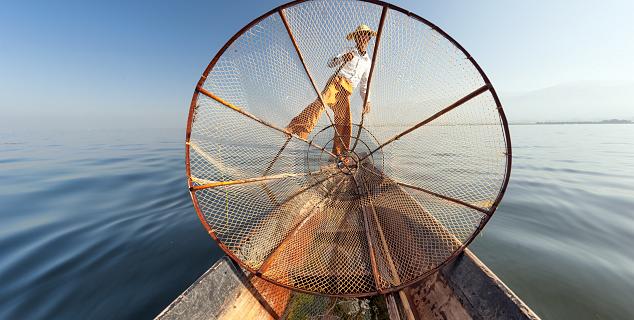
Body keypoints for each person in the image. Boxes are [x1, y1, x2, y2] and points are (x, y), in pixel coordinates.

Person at [286, 24, 375, 161]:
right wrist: (342, 58)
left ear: (368, 38)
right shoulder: (348, 50)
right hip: (337, 81)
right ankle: (295, 128)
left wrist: (367, 100)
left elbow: (364, 84)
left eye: (365, 35)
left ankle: (338, 155)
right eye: (359, 35)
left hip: (348, 90)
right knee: (321, 103)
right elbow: (330, 63)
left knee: (344, 121)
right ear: (355, 38)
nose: (362, 38)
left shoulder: (367, 61)